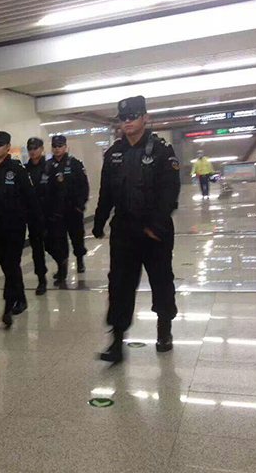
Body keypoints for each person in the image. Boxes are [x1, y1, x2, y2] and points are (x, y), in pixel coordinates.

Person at [93, 96, 180, 363]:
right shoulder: (114, 153)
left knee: (161, 281)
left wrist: (156, 226)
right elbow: (106, 192)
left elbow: (170, 193)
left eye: (133, 116)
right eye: (123, 117)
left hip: (155, 233)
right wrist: (99, 221)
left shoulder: (162, 151)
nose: (127, 121)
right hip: (124, 231)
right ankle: (117, 340)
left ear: (145, 118)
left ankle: (164, 330)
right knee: (119, 285)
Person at [0, 131, 43, 327]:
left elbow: (31, 198)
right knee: (6, 263)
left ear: (8, 147)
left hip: (16, 224)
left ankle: (9, 304)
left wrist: (37, 224)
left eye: (0, 144)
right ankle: (20, 297)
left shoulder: (17, 170)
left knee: (12, 262)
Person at [43, 135, 89, 287]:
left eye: (60, 146)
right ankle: (62, 270)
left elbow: (84, 186)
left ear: (65, 146)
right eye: (54, 146)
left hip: (73, 211)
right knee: (59, 243)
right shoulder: (48, 166)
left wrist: (80, 206)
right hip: (57, 213)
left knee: (77, 238)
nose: (57, 149)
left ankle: (80, 260)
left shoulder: (75, 164)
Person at [25, 137, 49, 295]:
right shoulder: (24, 170)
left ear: (41, 148)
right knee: (37, 250)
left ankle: (62, 265)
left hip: (49, 214)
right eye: (30, 148)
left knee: (54, 246)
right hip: (33, 216)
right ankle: (41, 279)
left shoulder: (49, 167)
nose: (32, 151)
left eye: (35, 148)